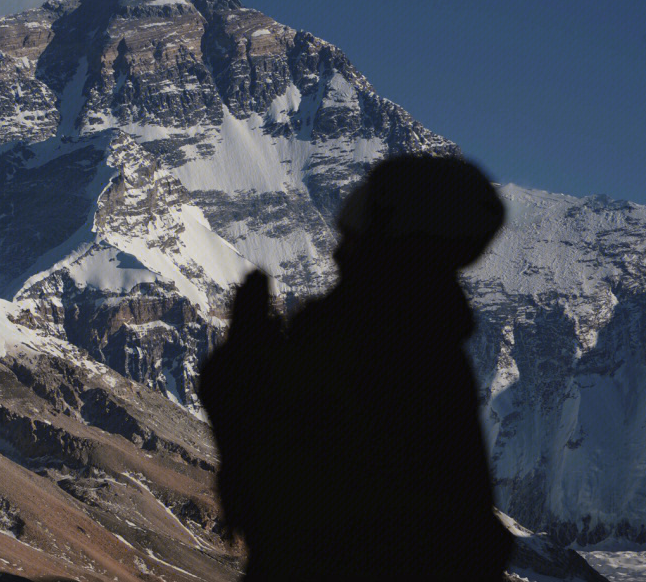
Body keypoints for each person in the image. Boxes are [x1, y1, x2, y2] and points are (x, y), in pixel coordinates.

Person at [199, 154, 513, 581]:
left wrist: (236, 383)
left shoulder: (354, 343)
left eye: (363, 217)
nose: (340, 242)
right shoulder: (435, 348)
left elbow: (278, 507)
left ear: (395, 232)